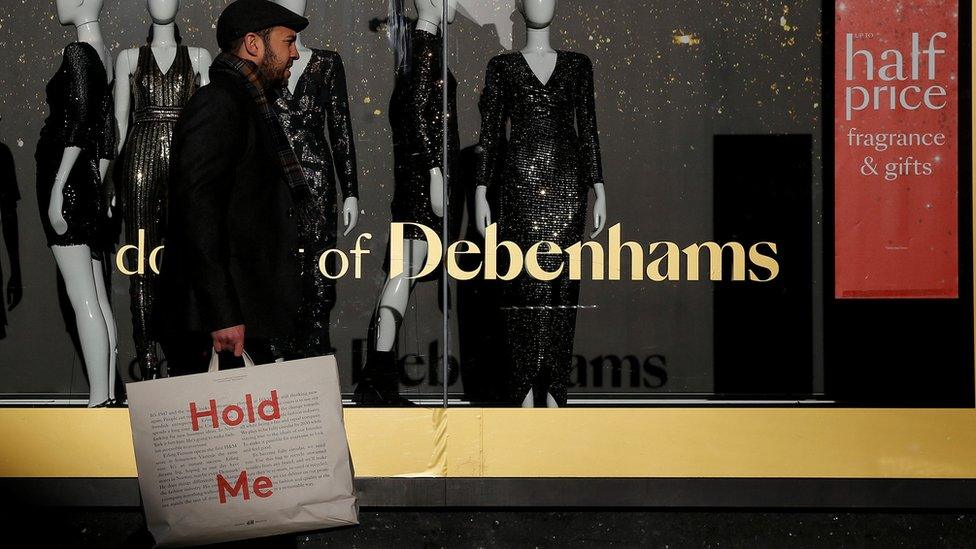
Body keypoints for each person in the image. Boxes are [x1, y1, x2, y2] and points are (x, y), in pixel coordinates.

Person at [159, 0, 310, 375]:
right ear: (254, 44)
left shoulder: (250, 102)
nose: (294, 53)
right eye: (288, 41)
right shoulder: (220, 102)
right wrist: (222, 314)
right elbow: (198, 210)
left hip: (238, 315)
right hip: (216, 325)